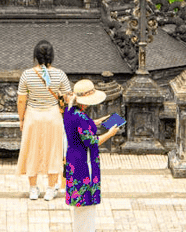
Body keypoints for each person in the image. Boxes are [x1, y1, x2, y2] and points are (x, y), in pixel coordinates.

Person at [16, 39, 72, 201]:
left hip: (33, 116)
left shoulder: (27, 74)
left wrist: (21, 119)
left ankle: (33, 189)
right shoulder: (60, 74)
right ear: (52, 56)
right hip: (53, 116)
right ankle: (50, 189)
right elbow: (68, 97)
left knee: (32, 150)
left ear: (35, 56)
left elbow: (21, 100)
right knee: (54, 151)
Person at [63, 79, 121, 232]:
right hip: (84, 162)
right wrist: (110, 133)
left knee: (79, 205)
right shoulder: (81, 118)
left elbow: (79, 128)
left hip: (73, 159)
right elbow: (92, 141)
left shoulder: (70, 112)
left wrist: (95, 122)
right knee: (86, 203)